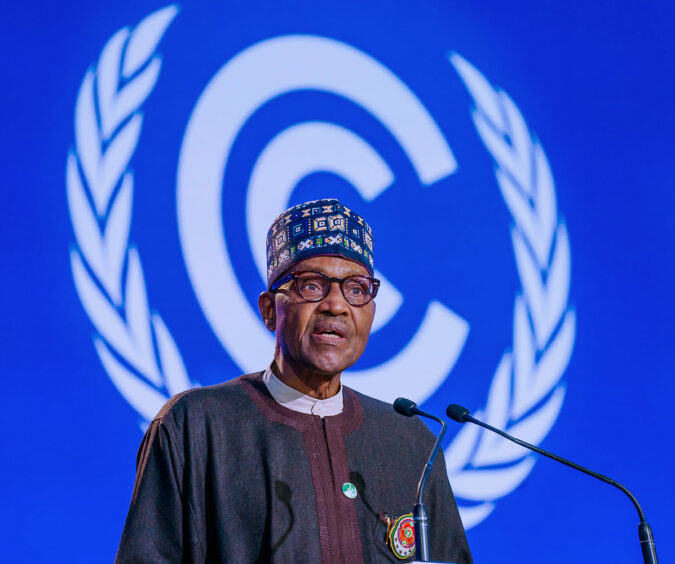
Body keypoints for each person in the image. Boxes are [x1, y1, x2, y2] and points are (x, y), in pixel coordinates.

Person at [115, 199, 472, 563]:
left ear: (371, 311)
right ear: (270, 309)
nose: (336, 305)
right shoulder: (196, 426)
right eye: (313, 285)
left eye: (357, 288)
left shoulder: (411, 442)